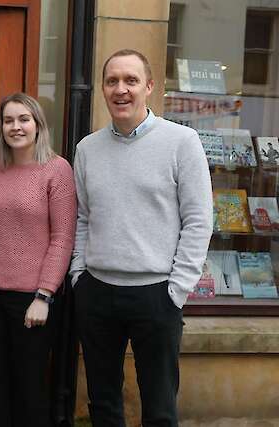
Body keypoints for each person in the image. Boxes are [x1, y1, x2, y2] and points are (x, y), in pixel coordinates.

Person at [69, 49, 213, 426]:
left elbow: (199, 220)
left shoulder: (182, 141)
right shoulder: (87, 149)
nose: (121, 89)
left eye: (131, 80)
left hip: (157, 294)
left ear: (149, 87)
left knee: (160, 407)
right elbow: (84, 217)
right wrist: (78, 277)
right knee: (102, 404)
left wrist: (177, 289)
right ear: (102, 88)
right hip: (97, 292)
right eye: (112, 80)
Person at [0, 92, 77, 427]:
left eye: (23, 119)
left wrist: (44, 295)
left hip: (32, 299)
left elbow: (62, 238)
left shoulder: (57, 170)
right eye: (8, 120)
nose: (16, 127)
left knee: (30, 386)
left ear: (38, 125)